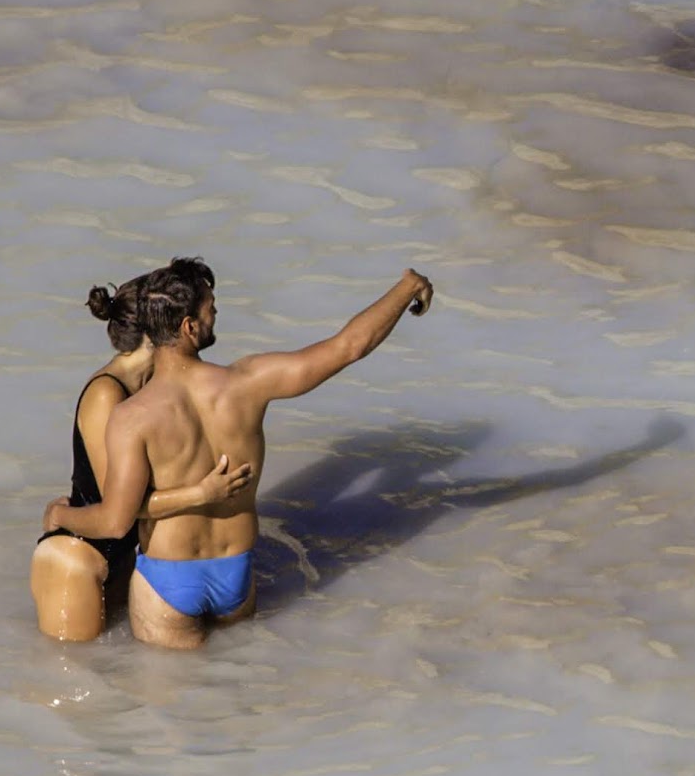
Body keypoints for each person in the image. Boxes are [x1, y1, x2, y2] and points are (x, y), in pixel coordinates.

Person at [41, 257, 435, 648]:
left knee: (169, 700)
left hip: (169, 580)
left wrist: (60, 514)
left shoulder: (132, 416)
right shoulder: (248, 383)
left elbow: (114, 522)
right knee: (240, 677)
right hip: (237, 573)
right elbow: (348, 347)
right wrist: (407, 288)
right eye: (210, 309)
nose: (216, 314)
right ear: (189, 327)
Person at [32, 269, 254, 643]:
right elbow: (117, 515)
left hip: (130, 554)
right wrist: (202, 494)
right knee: (74, 678)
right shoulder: (107, 394)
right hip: (80, 554)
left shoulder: (156, 388)